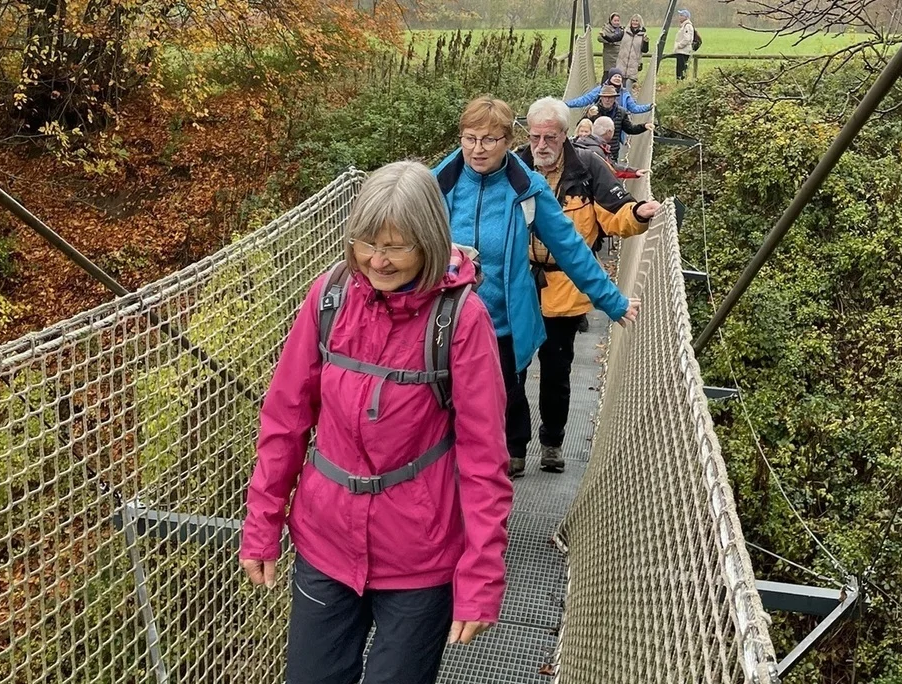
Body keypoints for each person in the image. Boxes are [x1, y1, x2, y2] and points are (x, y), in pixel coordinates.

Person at [238, 161, 512, 684]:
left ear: (428, 242)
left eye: (397, 246)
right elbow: (285, 420)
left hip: (420, 554)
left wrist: (481, 575)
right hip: (326, 542)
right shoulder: (329, 299)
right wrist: (262, 526)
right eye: (367, 242)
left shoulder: (461, 320)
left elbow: (483, 458)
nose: (377, 260)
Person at [433, 96, 640, 479]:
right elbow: (406, 232)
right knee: (444, 405)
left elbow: (570, 247)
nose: (478, 149)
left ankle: (504, 464)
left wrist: (613, 301)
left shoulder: (526, 187)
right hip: (445, 321)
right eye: (470, 138)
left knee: (503, 399)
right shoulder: (441, 180)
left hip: (503, 321)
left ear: (509, 141)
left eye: (490, 140)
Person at [517, 98, 659, 472]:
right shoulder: (513, 165)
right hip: (517, 285)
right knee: (510, 371)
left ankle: (552, 442)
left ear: (565, 134)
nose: (541, 145)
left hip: (565, 287)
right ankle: (514, 447)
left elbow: (616, 214)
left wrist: (638, 215)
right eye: (535, 137)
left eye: (550, 136)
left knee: (556, 370)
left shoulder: (587, 167)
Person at [587, 85, 654, 162]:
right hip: (594, 150)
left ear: (615, 98)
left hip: (612, 152)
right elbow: (581, 127)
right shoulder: (593, 111)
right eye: (605, 97)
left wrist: (644, 126)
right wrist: (588, 116)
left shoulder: (621, 112)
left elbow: (630, 129)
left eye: (611, 97)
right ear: (601, 98)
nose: (607, 100)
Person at [574, 117, 647, 179]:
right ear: (609, 132)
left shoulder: (583, 143)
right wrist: (634, 172)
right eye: (613, 130)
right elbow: (612, 170)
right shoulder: (597, 151)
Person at [566, 68, 653, 115]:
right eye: (615, 76)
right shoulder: (601, 89)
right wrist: (567, 104)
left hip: (618, 126)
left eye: (619, 77)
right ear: (610, 78)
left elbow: (634, 108)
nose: (617, 78)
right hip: (600, 121)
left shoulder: (624, 93)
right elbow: (585, 100)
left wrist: (649, 107)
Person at [615, 14, 648, 91]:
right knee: (620, 86)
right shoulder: (624, 32)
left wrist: (646, 42)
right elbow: (614, 38)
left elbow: (645, 50)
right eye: (633, 20)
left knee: (628, 86)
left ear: (640, 22)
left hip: (633, 64)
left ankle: (628, 102)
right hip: (622, 63)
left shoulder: (643, 35)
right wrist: (604, 36)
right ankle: (619, 102)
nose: (635, 22)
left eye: (637, 21)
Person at [674, 9, 695, 81]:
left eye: (681, 15)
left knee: (681, 70)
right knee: (680, 70)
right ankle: (680, 82)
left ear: (686, 17)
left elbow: (687, 39)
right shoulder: (684, 26)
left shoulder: (687, 26)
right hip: (682, 51)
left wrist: (679, 46)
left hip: (683, 51)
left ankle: (681, 83)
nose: (679, 17)